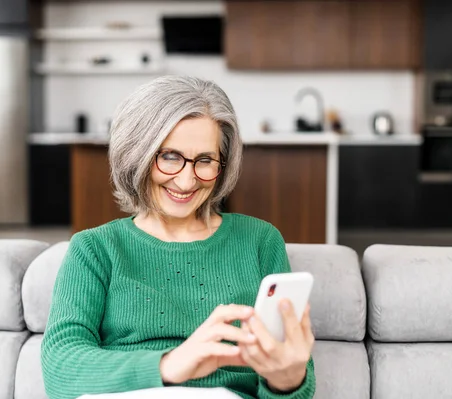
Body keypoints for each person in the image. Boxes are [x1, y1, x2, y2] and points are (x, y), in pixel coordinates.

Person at [41, 76, 316, 399]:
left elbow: (295, 385)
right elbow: (60, 370)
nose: (187, 181)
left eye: (205, 161)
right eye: (170, 156)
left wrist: (287, 379)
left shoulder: (260, 241)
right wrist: (171, 364)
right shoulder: (95, 249)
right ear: (137, 154)